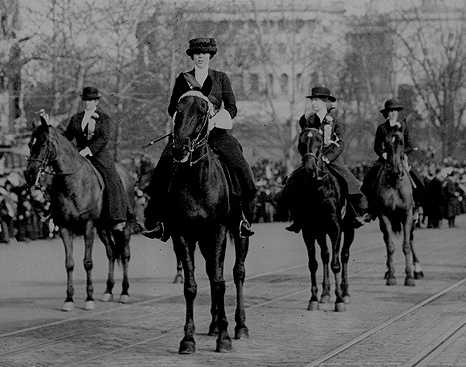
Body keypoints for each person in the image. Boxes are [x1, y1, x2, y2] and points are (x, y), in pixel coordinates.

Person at [143, 37, 257, 240]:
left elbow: (231, 107)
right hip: (188, 134)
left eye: (204, 54)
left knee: (237, 162)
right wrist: (183, 119)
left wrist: (216, 119)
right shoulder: (182, 79)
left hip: (215, 133)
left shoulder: (221, 78)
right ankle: (161, 221)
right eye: (197, 54)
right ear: (192, 57)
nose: (201, 57)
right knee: (165, 163)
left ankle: (240, 217)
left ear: (210, 56)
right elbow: (172, 108)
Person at [284, 86, 371, 233]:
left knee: (350, 181)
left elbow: (341, 143)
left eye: (317, 100)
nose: (314, 103)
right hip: (312, 160)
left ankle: (355, 213)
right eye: (312, 100)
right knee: (292, 181)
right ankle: (298, 218)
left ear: (325, 102)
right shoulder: (310, 120)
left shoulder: (335, 121)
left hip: (332, 160)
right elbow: (304, 135)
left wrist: (328, 157)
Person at [63, 86, 132, 231]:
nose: (88, 102)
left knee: (111, 177)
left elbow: (104, 138)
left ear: (96, 102)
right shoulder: (76, 118)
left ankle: (117, 217)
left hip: (98, 154)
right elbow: (67, 137)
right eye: (86, 100)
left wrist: (88, 150)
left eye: (91, 100)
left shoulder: (103, 118)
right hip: (79, 155)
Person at [361, 99, 425, 219]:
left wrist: (403, 153)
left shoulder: (404, 126)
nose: (393, 113)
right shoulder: (382, 128)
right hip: (385, 159)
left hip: (401, 158)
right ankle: (370, 210)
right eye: (391, 111)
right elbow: (376, 146)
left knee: (416, 178)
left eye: (395, 111)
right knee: (369, 178)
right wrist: (383, 153)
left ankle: (417, 206)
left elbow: (409, 145)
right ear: (387, 113)